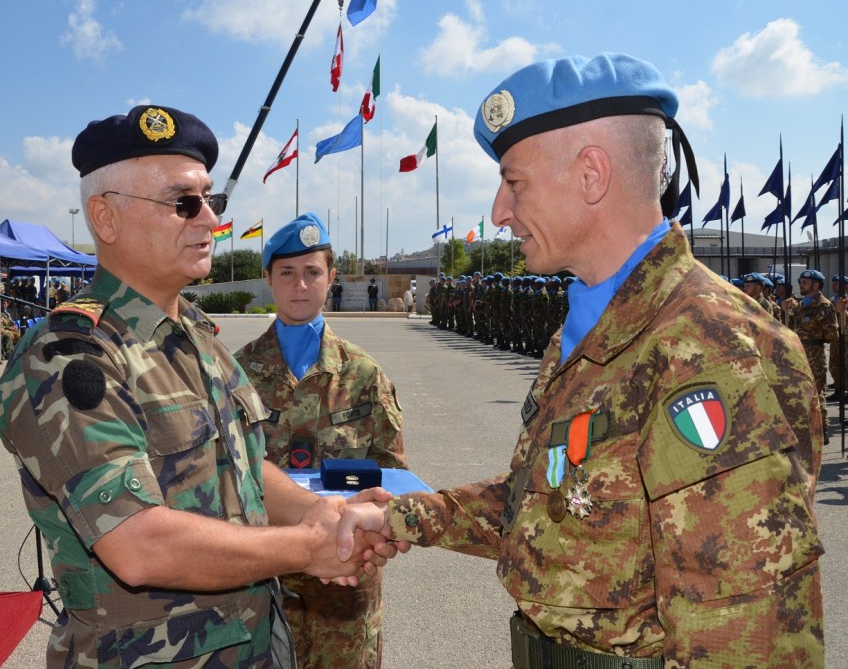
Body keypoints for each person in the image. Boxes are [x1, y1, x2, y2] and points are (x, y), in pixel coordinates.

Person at [339, 53, 825, 667]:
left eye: (514, 183)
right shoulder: (602, 321)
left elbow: (747, 637)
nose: (498, 211)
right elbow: (554, 497)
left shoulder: (708, 346)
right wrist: (408, 516)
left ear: (592, 174)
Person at [0, 104, 402, 668]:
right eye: (184, 203)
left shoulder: (197, 337)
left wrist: (322, 515)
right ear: (105, 218)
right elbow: (138, 542)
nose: (210, 219)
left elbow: (245, 465)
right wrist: (310, 547)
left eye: (213, 200)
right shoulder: (71, 356)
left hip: (255, 642)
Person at [234, 213, 408, 669]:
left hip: (345, 581)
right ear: (268, 278)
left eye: (313, 272)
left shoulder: (364, 375)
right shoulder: (234, 375)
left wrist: (372, 531)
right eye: (287, 273)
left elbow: (392, 474)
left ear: (331, 277)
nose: (300, 285)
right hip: (262, 579)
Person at [783, 269, 837, 443]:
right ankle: (805, 427)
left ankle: (823, 428)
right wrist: (787, 311)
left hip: (814, 354)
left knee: (816, 393)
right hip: (798, 353)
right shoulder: (800, 304)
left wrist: (814, 329)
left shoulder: (823, 305)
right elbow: (790, 328)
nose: (801, 284)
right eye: (800, 281)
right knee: (800, 392)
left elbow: (831, 334)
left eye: (805, 282)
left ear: (816, 285)